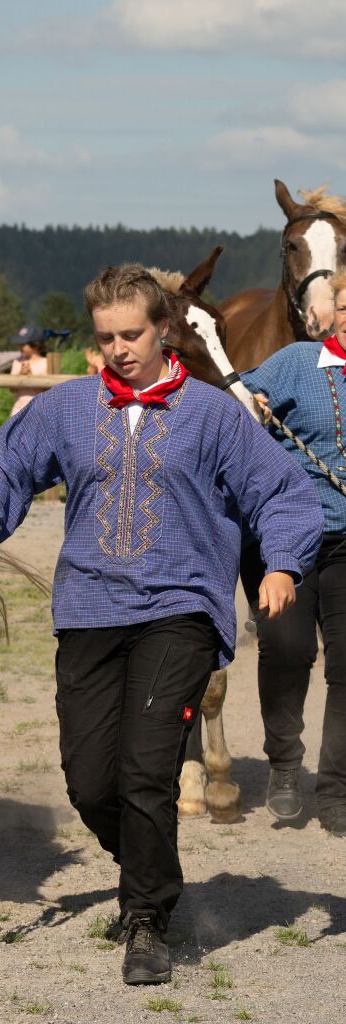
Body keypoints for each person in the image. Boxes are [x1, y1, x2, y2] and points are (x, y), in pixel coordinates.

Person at [0, 264, 322, 986]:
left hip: (177, 612)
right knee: (90, 784)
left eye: (130, 334)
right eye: (104, 337)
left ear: (160, 332)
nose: (117, 349)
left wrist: (280, 564)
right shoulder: (63, 409)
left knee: (146, 770)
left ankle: (147, 919)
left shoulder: (214, 414)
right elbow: (5, 466)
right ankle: (152, 870)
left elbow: (280, 492)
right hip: (87, 611)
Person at [239, 270, 346, 838]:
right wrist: (250, 403)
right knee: (287, 648)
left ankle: (336, 786)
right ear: (331, 312)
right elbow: (235, 392)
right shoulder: (295, 362)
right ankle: (284, 768)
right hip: (291, 538)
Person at [9, 325, 49, 415]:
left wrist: (31, 377)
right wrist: (20, 375)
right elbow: (12, 389)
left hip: (39, 409)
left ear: (36, 344)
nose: (20, 346)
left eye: (23, 344)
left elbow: (48, 390)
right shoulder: (17, 362)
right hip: (18, 409)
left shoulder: (46, 363)